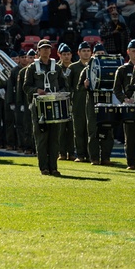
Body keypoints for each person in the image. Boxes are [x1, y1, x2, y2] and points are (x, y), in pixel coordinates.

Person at [23, 40, 67, 176]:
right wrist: (37, 90)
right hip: (39, 106)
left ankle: (53, 167)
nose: (46, 51)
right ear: (38, 51)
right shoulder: (32, 68)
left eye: (48, 48)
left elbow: (64, 85)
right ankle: (44, 167)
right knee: (42, 138)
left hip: (54, 104)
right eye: (43, 48)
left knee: (54, 138)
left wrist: (60, 93)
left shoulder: (57, 67)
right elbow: (26, 87)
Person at [113, 39, 135, 170]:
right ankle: (131, 163)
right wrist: (124, 99)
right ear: (128, 52)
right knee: (130, 136)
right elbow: (116, 89)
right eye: (133, 51)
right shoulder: (122, 69)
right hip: (129, 106)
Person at [80, 43, 115, 165]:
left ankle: (106, 157)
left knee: (108, 129)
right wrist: (85, 86)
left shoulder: (112, 68)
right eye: (97, 54)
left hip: (107, 100)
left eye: (102, 54)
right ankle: (94, 158)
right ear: (93, 55)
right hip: (92, 101)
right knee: (93, 130)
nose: (100, 56)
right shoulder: (87, 69)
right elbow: (78, 88)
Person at [68, 41, 92, 162]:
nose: (86, 53)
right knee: (78, 130)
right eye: (84, 51)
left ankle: (91, 154)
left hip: (91, 102)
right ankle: (81, 154)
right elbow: (68, 85)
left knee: (90, 130)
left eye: (88, 51)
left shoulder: (94, 66)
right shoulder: (73, 67)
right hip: (78, 102)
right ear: (78, 53)